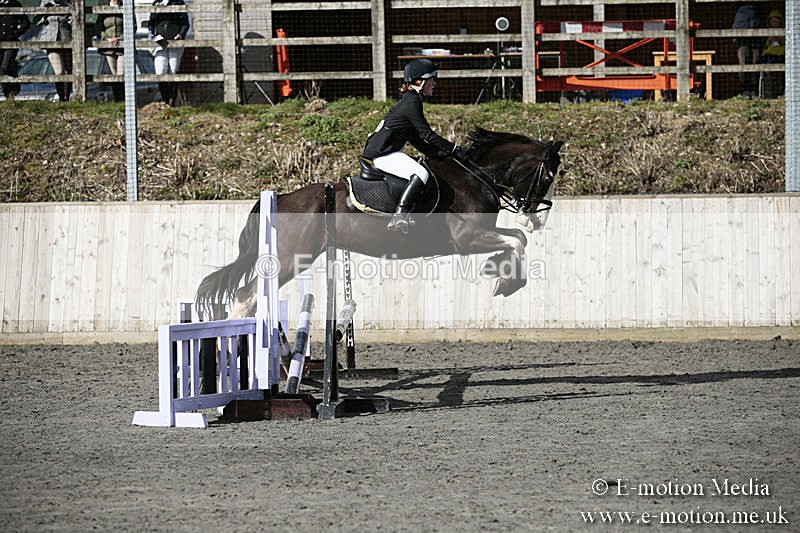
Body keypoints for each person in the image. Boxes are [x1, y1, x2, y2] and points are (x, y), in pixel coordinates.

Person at [362, 58, 465, 233]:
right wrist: (453, 149)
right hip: (383, 155)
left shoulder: (410, 100)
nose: (434, 83)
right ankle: (400, 216)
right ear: (419, 82)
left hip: (387, 153)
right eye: (431, 79)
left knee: (423, 168)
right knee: (421, 173)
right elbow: (427, 134)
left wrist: (439, 155)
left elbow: (416, 140)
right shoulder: (412, 102)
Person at [147, 0, 190, 107]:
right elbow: (151, 23)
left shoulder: (179, 2)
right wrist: (152, 34)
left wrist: (181, 34)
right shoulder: (156, 3)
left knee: (173, 70)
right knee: (161, 71)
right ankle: (165, 100)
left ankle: (172, 101)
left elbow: (185, 23)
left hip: (175, 41)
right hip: (160, 42)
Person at [33, 0, 72, 102]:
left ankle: (67, 97)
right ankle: (61, 97)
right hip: (50, 39)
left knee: (69, 71)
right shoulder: (45, 1)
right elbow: (36, 20)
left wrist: (65, 7)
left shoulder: (68, 1)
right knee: (59, 71)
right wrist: (45, 9)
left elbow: (75, 18)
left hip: (67, 38)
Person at [0, 0, 30, 100]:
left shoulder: (15, 4)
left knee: (5, 66)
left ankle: (11, 94)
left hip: (11, 42)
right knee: (3, 69)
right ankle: (9, 95)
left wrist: (16, 33)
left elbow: (26, 22)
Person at [731, 3, 763, 98]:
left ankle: (754, 89)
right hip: (742, 29)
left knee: (755, 61)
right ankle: (746, 89)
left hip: (756, 26)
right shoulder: (741, 10)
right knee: (743, 62)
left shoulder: (758, 10)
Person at [98, 0, 124, 100]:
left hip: (122, 46)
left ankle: (125, 99)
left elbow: (133, 26)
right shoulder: (103, 9)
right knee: (113, 74)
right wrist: (107, 38)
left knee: (121, 74)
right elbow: (98, 28)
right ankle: (117, 99)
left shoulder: (124, 7)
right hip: (108, 47)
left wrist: (120, 38)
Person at [760, 10, 784, 99]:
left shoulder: (784, 32)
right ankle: (769, 93)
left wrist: (780, 39)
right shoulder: (767, 33)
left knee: (783, 73)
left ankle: (782, 92)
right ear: (770, 23)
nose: (775, 23)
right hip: (769, 55)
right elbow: (764, 47)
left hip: (782, 55)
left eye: (777, 21)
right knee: (768, 72)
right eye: (773, 21)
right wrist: (770, 39)